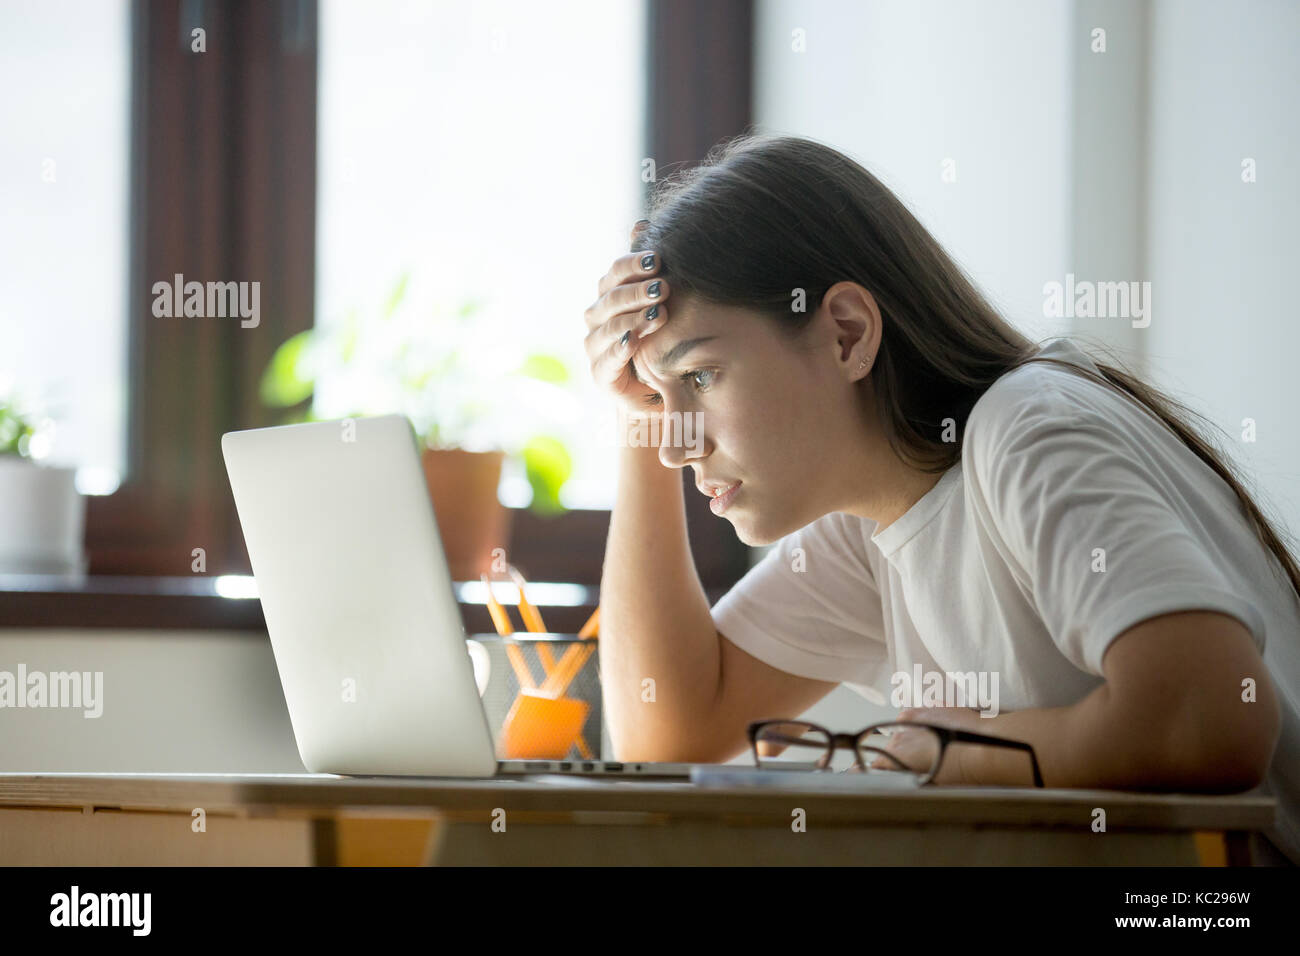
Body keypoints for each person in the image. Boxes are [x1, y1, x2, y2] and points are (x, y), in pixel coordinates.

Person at [582, 132, 1299, 865]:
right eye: (657, 398)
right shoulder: (878, 521)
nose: (675, 446)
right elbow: (664, 729)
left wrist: (955, 753)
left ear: (846, 334)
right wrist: (636, 415)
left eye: (700, 377)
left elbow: (1209, 718)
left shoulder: (1026, 429)